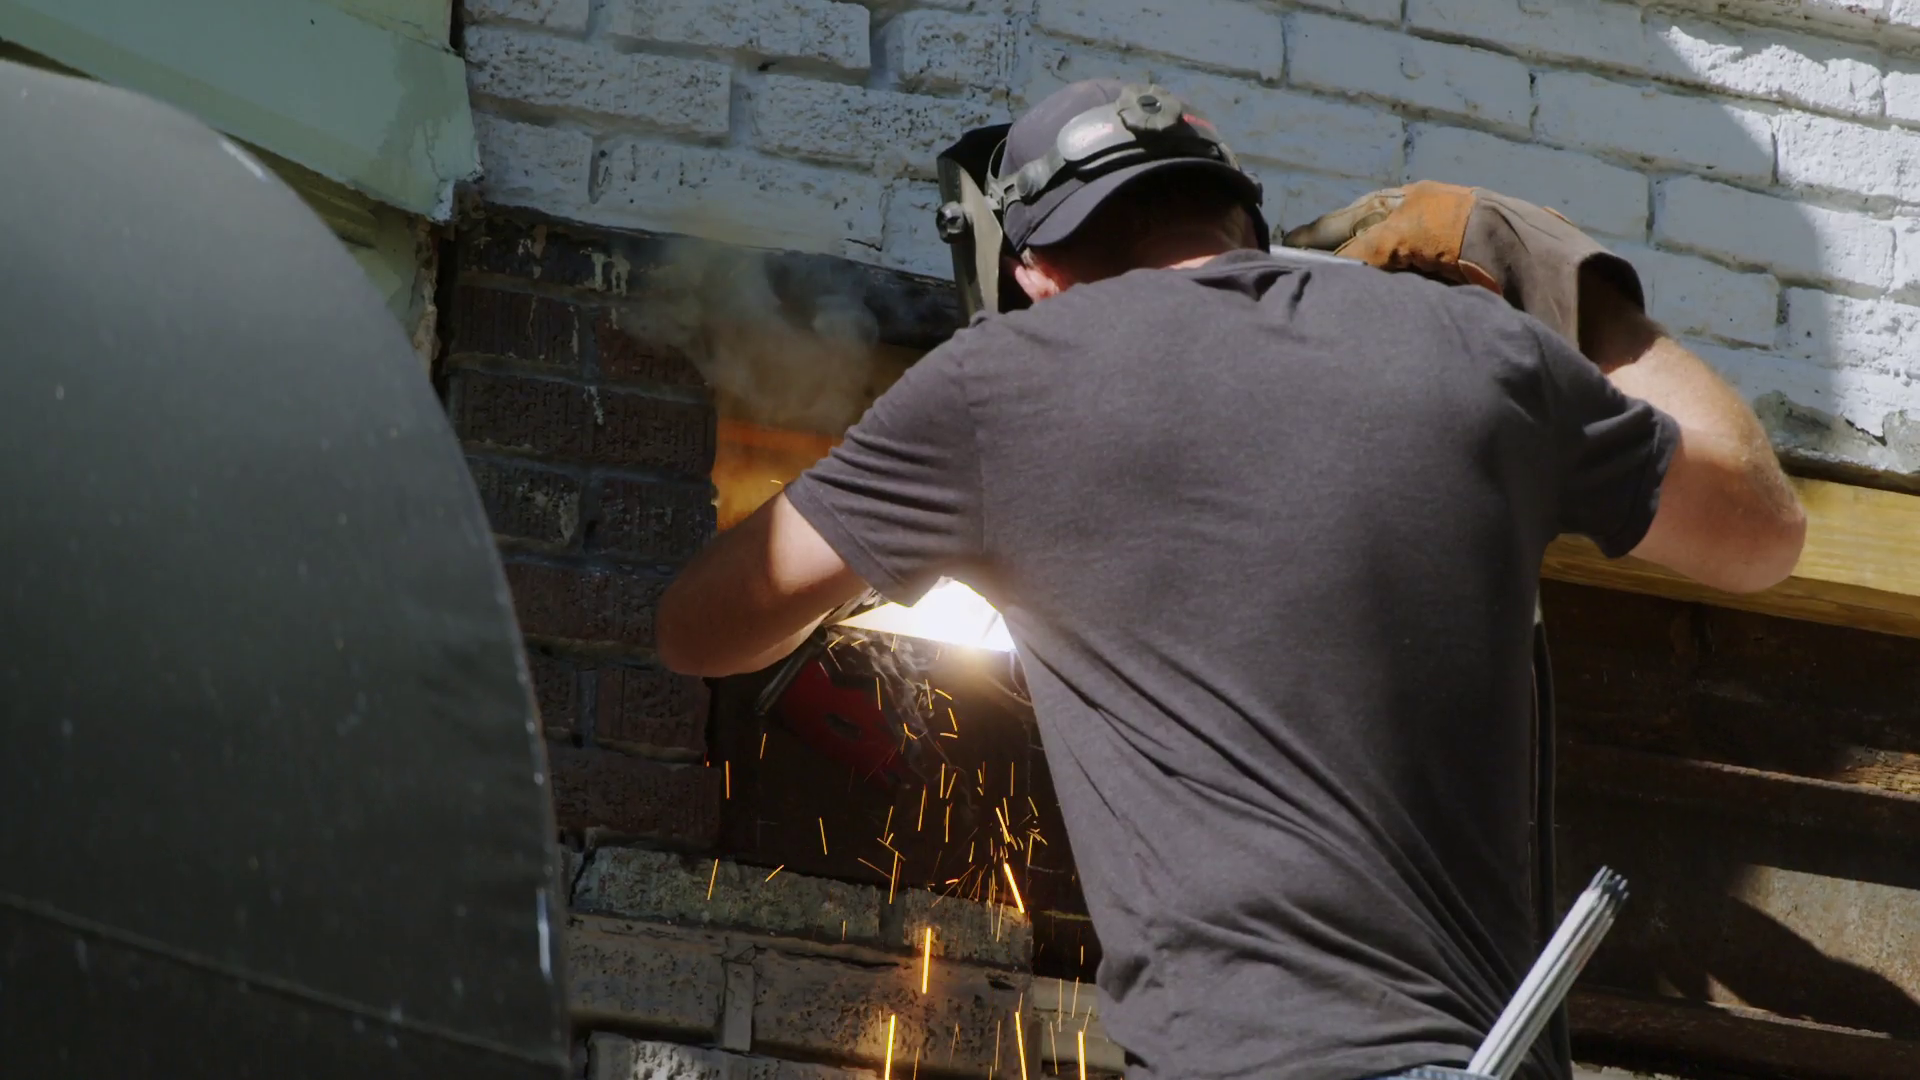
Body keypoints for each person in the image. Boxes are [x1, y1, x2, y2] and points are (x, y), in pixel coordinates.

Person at [655, 79, 1805, 1080]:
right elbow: (1761, 533)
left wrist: (914, 533)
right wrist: (1575, 289)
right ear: (1242, 220)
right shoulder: (1477, 349)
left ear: (1033, 271)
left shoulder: (998, 385)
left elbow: (701, 630)